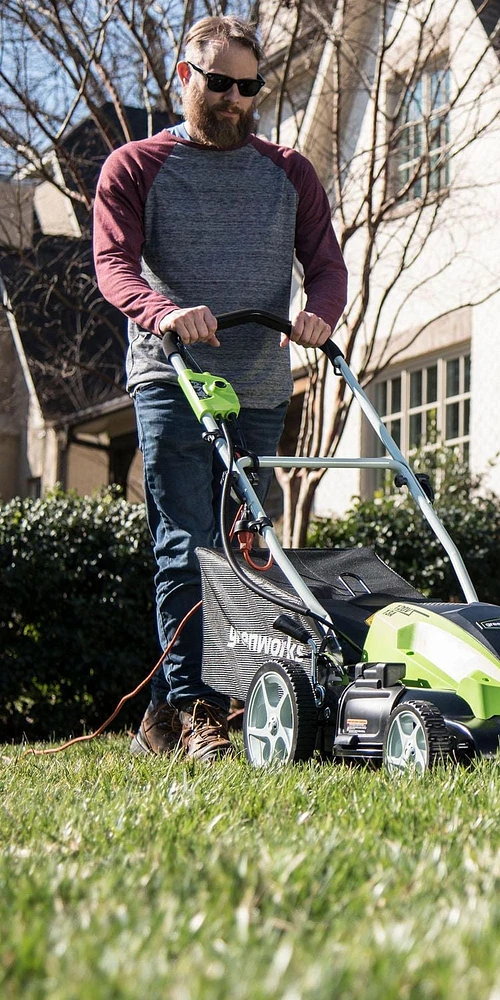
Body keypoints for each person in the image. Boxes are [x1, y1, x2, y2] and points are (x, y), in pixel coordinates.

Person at [93, 15, 348, 761]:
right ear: (185, 78)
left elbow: (326, 266)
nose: (236, 99)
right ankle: (194, 712)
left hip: (261, 388)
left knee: (242, 550)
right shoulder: (136, 166)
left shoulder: (289, 171)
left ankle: (173, 714)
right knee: (186, 545)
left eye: (248, 86)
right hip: (173, 381)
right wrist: (164, 311)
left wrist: (319, 314)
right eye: (220, 84)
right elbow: (114, 265)